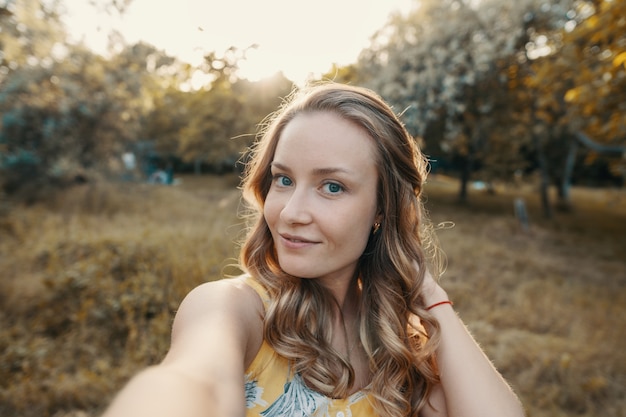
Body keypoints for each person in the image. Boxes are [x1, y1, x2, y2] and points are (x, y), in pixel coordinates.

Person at [101, 83, 525, 417]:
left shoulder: (401, 340)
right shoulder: (233, 309)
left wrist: (429, 296)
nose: (291, 213)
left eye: (332, 186)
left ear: (383, 208)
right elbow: (195, 385)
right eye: (283, 179)